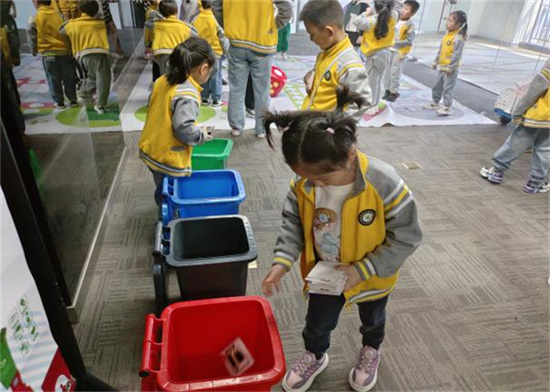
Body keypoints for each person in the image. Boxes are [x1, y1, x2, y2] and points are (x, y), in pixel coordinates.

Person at [261, 85, 422, 392]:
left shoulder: (384, 181)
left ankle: (370, 350)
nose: (313, 184)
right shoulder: (304, 182)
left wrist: (362, 270)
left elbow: (408, 237)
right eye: (306, 178)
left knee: (373, 319)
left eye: (321, 179)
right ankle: (316, 355)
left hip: (373, 275)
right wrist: (282, 260)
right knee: (317, 323)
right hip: (325, 273)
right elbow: (293, 222)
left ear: (349, 156)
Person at [139, 37, 216, 205]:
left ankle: (164, 211)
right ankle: (167, 221)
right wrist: (201, 135)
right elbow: (183, 129)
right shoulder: (187, 94)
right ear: (203, 69)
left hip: (151, 146)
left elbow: (166, 114)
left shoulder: (164, 80)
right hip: (167, 155)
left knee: (161, 186)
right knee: (168, 194)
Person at [213, 0, 292, 138]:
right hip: (263, 42)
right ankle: (261, 129)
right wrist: (274, 26)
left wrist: (228, 24)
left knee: (236, 88)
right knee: (262, 90)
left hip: (237, 41)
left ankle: (236, 127)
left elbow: (215, 4)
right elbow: (286, 7)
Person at [480, 59, 550, 194]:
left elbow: (535, 89)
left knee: (516, 142)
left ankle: (497, 172)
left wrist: (518, 111)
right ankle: (534, 183)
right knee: (545, 149)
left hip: (537, 114)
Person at [300, 0, 371, 112]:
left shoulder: (350, 65)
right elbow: (319, 71)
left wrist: (336, 126)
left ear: (329, 32)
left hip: (324, 127)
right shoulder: (326, 52)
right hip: (310, 120)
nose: (311, 39)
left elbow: (362, 102)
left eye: (312, 35)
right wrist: (310, 76)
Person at [60, 0, 112, 115]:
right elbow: (109, 30)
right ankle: (100, 105)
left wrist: (68, 21)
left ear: (79, 9)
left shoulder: (73, 24)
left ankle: (83, 93)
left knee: (92, 77)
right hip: (100, 53)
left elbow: (62, 32)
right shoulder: (100, 23)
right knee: (103, 80)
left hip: (82, 56)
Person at [28, 0, 78, 109]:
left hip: (48, 53)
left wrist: (33, 48)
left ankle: (59, 102)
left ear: (36, 2)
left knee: (53, 78)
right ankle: (73, 99)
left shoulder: (34, 18)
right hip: (64, 51)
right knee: (68, 77)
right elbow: (68, 32)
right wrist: (71, 48)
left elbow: (31, 33)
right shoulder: (60, 16)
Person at [354, 0, 398, 114]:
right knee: (376, 80)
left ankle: (373, 105)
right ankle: (373, 103)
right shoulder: (393, 17)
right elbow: (396, 9)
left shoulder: (370, 21)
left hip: (375, 55)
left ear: (375, 8)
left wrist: (367, 12)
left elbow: (357, 21)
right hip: (384, 53)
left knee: (373, 82)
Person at [423, 10, 467, 116]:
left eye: (451, 21)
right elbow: (441, 49)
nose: (447, 22)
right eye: (447, 20)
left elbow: (457, 55)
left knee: (448, 87)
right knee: (437, 85)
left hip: (451, 69)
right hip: (442, 66)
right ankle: (435, 102)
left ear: (458, 25)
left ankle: (447, 106)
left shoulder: (458, 38)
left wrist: (450, 67)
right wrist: (436, 60)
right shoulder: (447, 35)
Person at [145, 0, 198, 75]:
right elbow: (195, 33)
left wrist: (160, 16)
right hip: (178, 53)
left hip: (162, 52)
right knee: (178, 75)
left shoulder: (158, 24)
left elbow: (147, 23)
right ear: (176, 12)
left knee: (165, 76)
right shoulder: (183, 26)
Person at [193, 0, 229, 107]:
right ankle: (216, 99)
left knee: (203, 73)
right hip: (215, 53)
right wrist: (227, 50)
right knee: (216, 76)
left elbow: (192, 33)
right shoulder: (213, 19)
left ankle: (204, 97)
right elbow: (221, 36)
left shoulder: (196, 19)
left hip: (201, 52)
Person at [383, 0, 419, 102]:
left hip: (399, 53)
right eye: (402, 7)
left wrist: (395, 44)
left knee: (395, 72)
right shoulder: (394, 19)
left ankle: (393, 92)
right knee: (387, 71)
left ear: (412, 13)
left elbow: (409, 41)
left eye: (406, 9)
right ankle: (387, 90)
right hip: (388, 50)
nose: (403, 10)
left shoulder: (410, 26)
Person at [144, 0, 163, 81]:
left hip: (159, 40)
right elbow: (148, 30)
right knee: (157, 64)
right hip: (154, 40)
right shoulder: (151, 12)